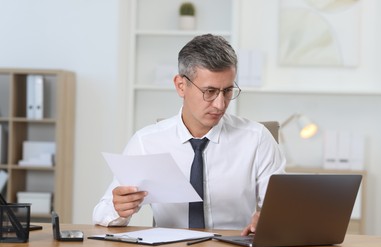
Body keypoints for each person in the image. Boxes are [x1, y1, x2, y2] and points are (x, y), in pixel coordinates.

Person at [93, 34, 286, 235]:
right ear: (180, 86)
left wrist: (271, 218)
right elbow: (102, 212)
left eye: (227, 91)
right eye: (209, 91)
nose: (220, 104)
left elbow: (284, 209)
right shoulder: (146, 142)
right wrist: (119, 209)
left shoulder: (256, 139)